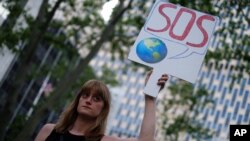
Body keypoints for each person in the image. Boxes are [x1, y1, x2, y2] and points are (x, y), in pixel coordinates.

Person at [35, 70, 169, 141]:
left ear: (103, 109)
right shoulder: (49, 130)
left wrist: (150, 98)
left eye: (96, 98)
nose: (88, 100)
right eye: (85, 95)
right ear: (78, 100)